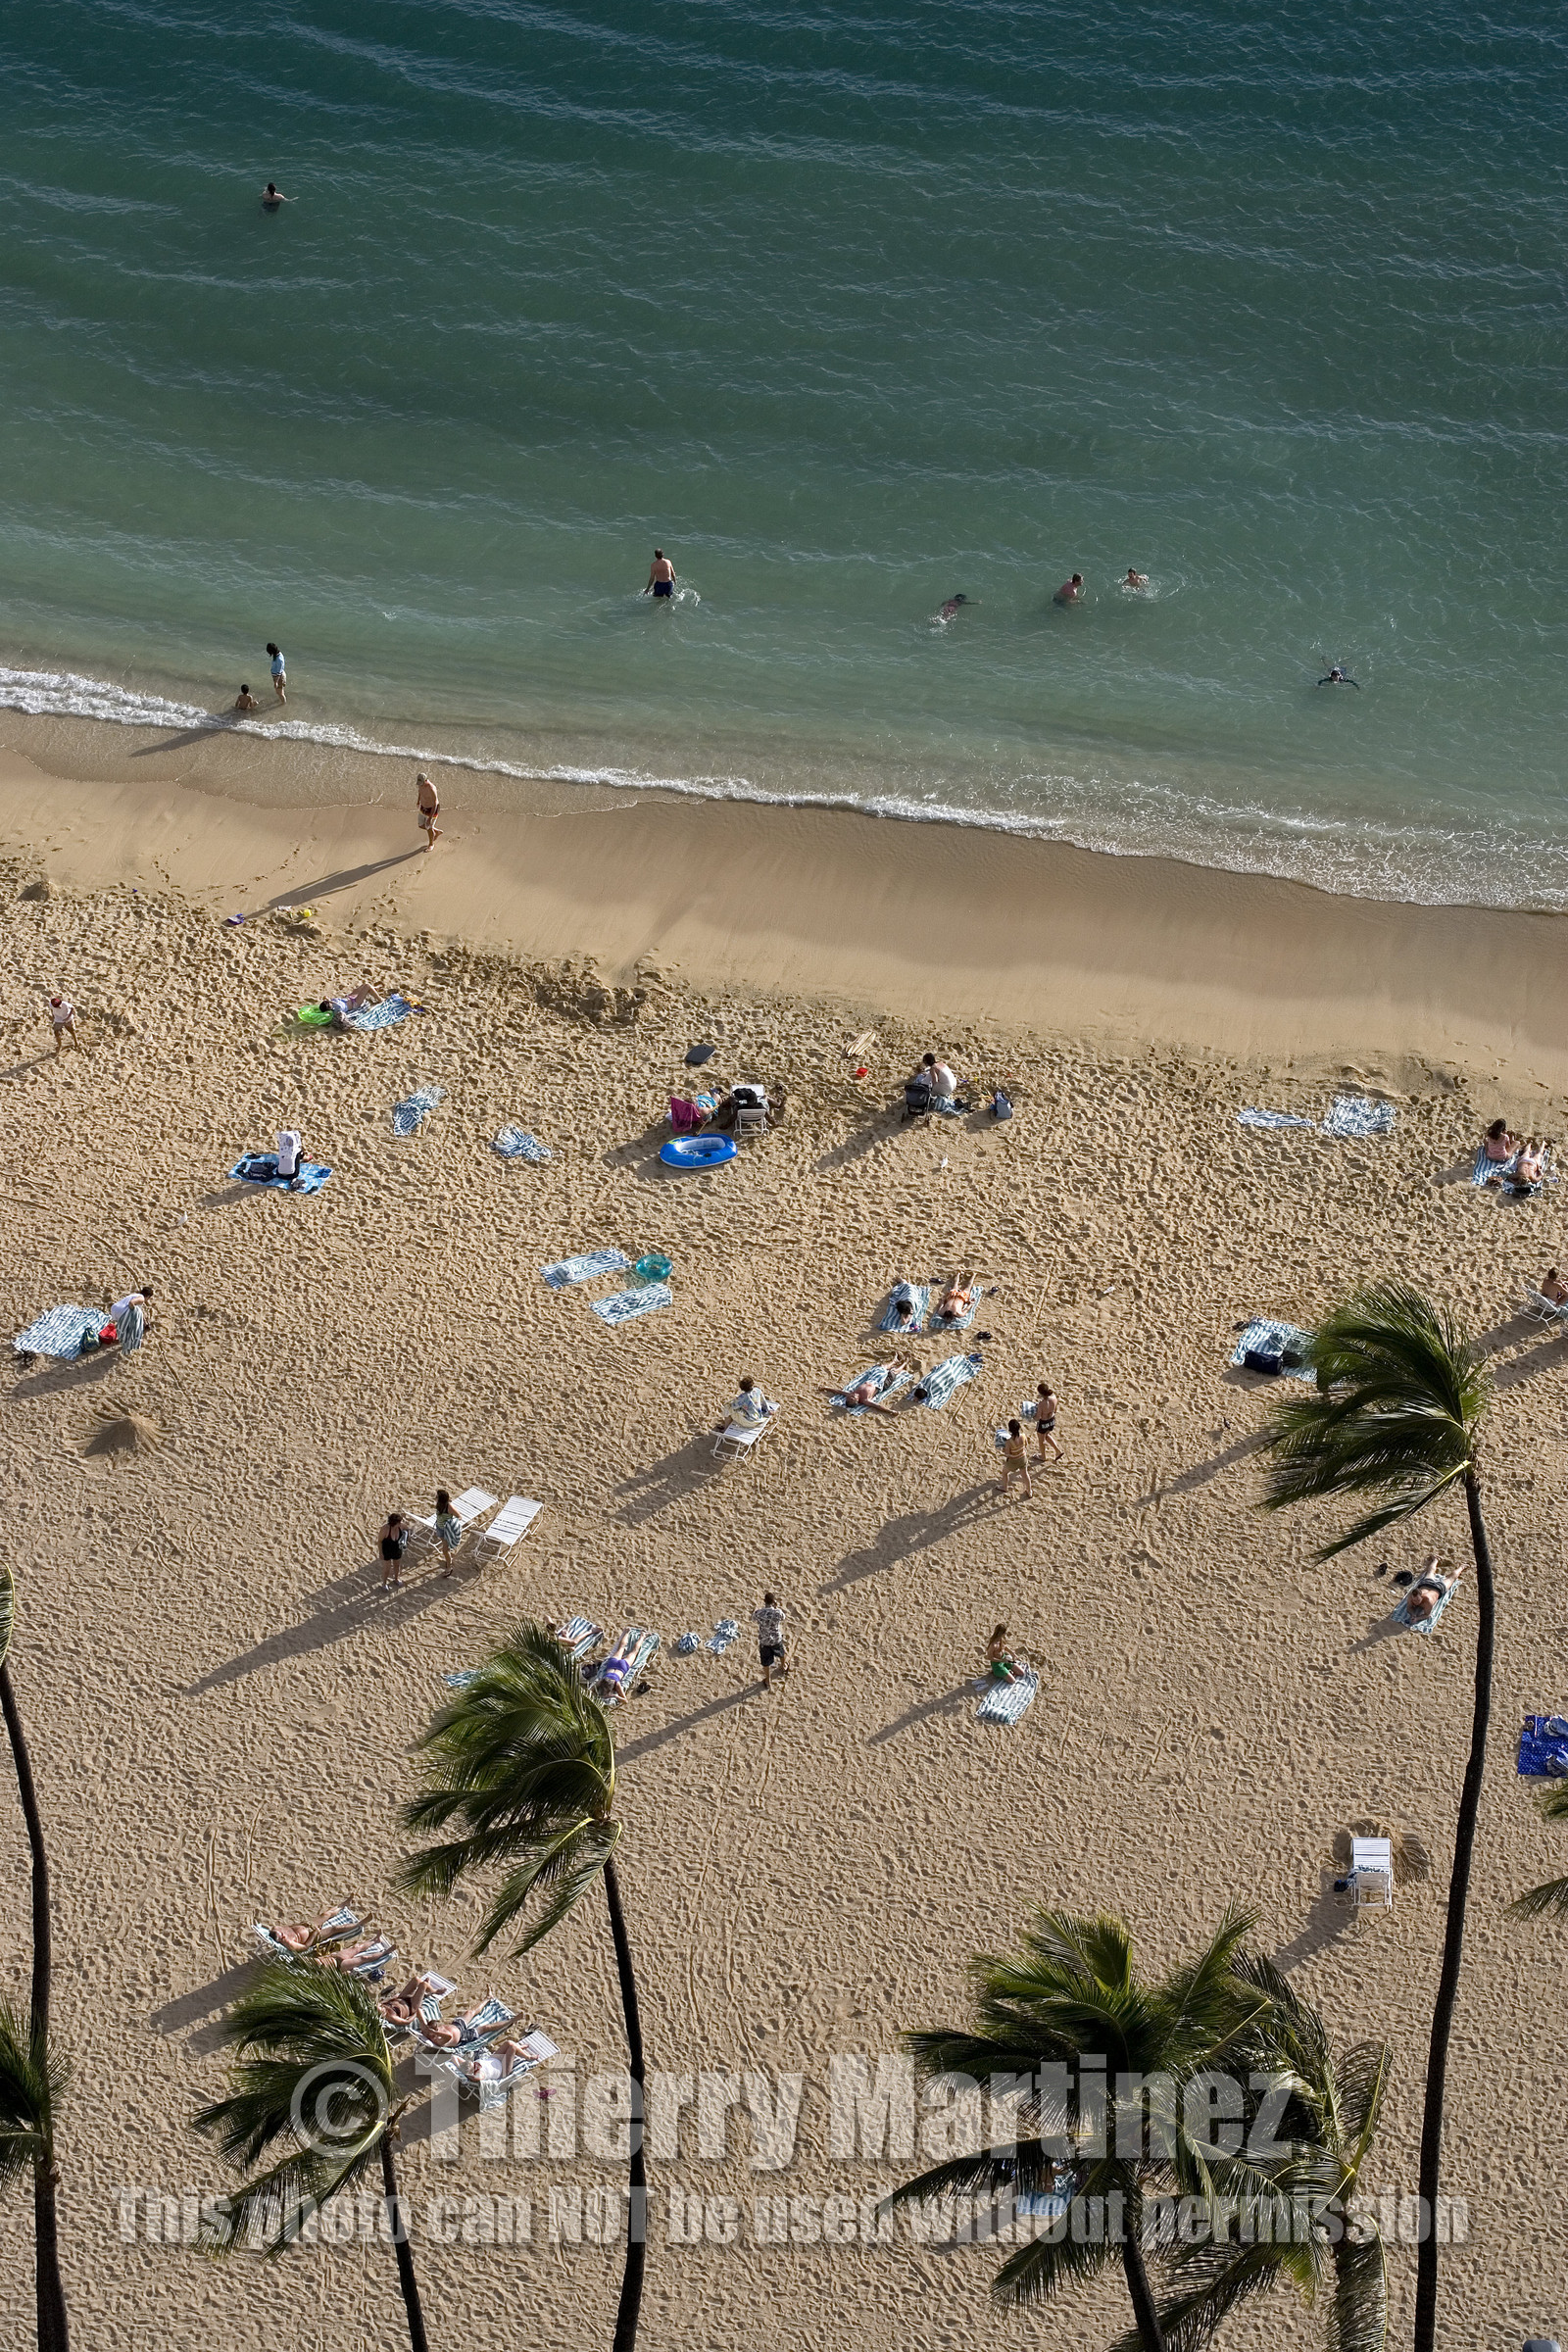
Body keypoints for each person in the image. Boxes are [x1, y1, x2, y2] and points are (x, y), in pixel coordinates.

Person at [1403, 1556, 1459, 1624]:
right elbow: (1409, 1608)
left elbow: (1427, 1615)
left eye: (1418, 1600)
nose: (1415, 1602)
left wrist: (1418, 1618)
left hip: (1438, 1588)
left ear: (1422, 1596)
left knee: (1451, 1578)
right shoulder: (1411, 1597)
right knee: (1430, 1572)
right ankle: (1436, 1560)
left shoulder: (1428, 1601)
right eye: (1414, 1600)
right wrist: (1413, 1615)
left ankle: (1462, 1567)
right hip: (1426, 1584)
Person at [818, 1370, 900, 1415]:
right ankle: (904, 1363)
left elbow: (838, 1391)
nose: (852, 1396)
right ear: (857, 1401)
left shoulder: (850, 1394)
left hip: (872, 1380)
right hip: (882, 1384)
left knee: (882, 1368)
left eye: (850, 1398)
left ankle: (895, 1360)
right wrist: (891, 1411)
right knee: (893, 1372)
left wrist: (825, 1388)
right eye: (853, 1398)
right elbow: (878, 1406)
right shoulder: (865, 1400)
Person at [754, 1591, 788, 1690]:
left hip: (765, 1641)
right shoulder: (777, 1612)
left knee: (766, 1661)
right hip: (776, 1639)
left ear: (764, 1601)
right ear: (773, 1601)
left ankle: (768, 1680)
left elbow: (752, 1618)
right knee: (781, 1653)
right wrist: (776, 1607)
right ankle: (783, 1667)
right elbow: (783, 1617)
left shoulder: (759, 1613)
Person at [999, 1418, 1033, 1499]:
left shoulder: (1009, 1441)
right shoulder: (1023, 1436)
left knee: (1004, 1473)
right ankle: (1029, 1491)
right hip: (1023, 1458)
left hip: (1013, 1461)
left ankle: (1005, 1487)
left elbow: (1008, 1454)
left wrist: (1003, 1451)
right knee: (1025, 1475)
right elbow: (1026, 1445)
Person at [433, 1488, 463, 1577]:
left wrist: (450, 1524)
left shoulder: (449, 1507)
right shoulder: (439, 1504)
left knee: (445, 1550)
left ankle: (449, 1567)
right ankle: (448, 1557)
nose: (435, 1497)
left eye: (437, 1496)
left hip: (447, 1531)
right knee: (444, 1545)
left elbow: (459, 1516)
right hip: (440, 1528)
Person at [379, 1511, 409, 1592]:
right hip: (387, 1550)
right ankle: (384, 1583)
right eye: (399, 1522)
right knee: (387, 1569)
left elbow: (407, 1529)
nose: (401, 1523)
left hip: (397, 1549)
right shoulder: (385, 1529)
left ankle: (396, 1579)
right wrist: (381, 1553)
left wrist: (405, 1538)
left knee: (397, 1565)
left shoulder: (401, 1526)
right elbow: (380, 1541)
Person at [1033, 1381, 1061, 1459]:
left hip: (1043, 1423)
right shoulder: (1054, 1398)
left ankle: (1043, 1456)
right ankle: (1058, 1451)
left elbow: (1038, 1417)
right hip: (1051, 1420)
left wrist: (1031, 1417)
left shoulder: (1041, 1404)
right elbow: (1055, 1410)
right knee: (1047, 1435)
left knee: (1041, 1440)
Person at [416, 772, 440, 849]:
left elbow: (435, 803)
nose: (420, 785)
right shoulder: (421, 785)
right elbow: (420, 792)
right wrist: (418, 801)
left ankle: (431, 844)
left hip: (432, 809)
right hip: (423, 807)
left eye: (422, 783)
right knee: (421, 825)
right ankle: (436, 831)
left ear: (426, 780)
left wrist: (430, 817)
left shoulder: (431, 788)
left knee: (428, 828)